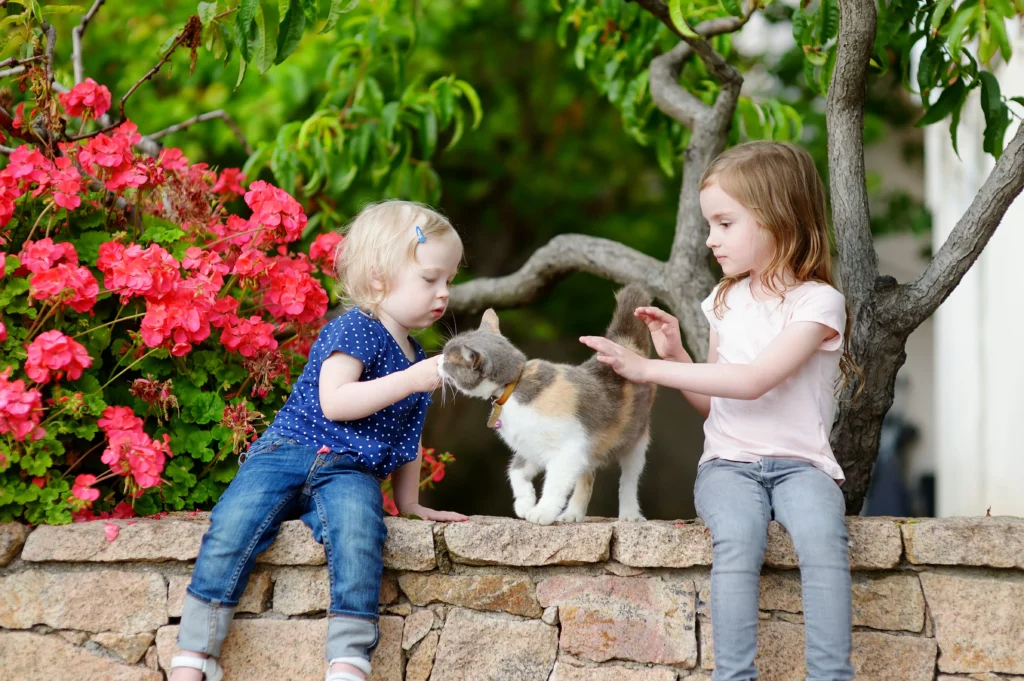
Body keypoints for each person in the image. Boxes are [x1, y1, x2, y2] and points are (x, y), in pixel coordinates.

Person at [580, 141, 860, 681]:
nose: (711, 239)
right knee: (739, 538)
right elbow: (715, 402)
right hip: (728, 466)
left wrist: (649, 371)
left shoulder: (818, 304)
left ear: (777, 216)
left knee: (823, 538)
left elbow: (753, 381)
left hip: (802, 466)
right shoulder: (723, 301)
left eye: (725, 223)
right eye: (710, 224)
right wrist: (678, 355)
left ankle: (831, 675)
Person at [169, 200, 468, 681]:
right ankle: (195, 651)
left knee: (360, 535)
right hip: (287, 451)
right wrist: (412, 380)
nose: (444, 293)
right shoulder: (357, 327)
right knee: (234, 525)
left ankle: (348, 658)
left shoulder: (418, 356)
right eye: (430, 279)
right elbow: (336, 401)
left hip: (350, 471)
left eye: (449, 281)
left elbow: (408, 437)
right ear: (378, 279)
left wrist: (410, 502)